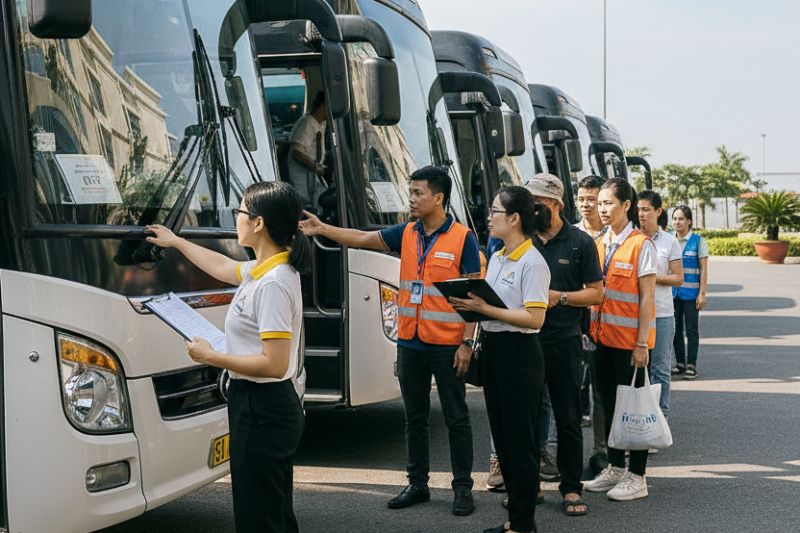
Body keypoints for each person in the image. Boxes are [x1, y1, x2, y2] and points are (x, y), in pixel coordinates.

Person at [300, 165, 480, 516]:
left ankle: (462, 489)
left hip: (447, 346)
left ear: (438, 198)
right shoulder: (408, 232)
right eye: (410, 192)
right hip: (410, 344)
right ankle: (417, 484)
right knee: (414, 418)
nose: (411, 199)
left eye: (417, 193)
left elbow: (473, 295)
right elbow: (363, 239)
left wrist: (467, 343)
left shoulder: (463, 238)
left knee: (456, 417)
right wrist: (323, 229)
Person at [145, 181, 309, 532]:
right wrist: (175, 242)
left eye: (240, 212)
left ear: (259, 223)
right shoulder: (263, 270)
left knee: (260, 516)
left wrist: (212, 357)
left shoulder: (274, 284)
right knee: (270, 510)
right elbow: (221, 267)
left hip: (264, 406)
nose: (236, 217)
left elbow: (274, 363)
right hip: (258, 404)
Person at [449, 186, 550, 533]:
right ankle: (515, 520)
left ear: (515, 218)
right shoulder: (497, 256)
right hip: (494, 350)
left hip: (520, 357)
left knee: (520, 444)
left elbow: (535, 319)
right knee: (504, 443)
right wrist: (472, 310)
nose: (489, 217)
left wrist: (485, 308)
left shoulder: (533, 262)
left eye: (495, 212)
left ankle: (523, 524)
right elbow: (489, 307)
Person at [524, 174, 604, 516]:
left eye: (537, 203)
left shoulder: (579, 242)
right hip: (525, 343)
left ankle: (571, 488)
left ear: (555, 203)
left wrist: (562, 298)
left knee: (568, 418)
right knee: (525, 419)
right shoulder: (521, 239)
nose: (531, 209)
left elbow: (597, 292)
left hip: (563, 344)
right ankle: (526, 487)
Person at [583, 178, 657, 502]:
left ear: (626, 206)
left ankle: (637, 476)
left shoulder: (642, 245)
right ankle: (614, 467)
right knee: (610, 406)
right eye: (599, 203)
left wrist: (642, 344)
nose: (601, 209)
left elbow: (646, 300)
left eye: (608, 203)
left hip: (630, 344)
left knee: (635, 410)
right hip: (602, 341)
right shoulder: (599, 244)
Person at [575, 175, 610, 475]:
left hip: (605, 324)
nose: (587, 205)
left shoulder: (615, 238)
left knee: (601, 392)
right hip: (573, 323)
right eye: (582, 199)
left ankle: (601, 451)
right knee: (571, 389)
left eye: (593, 200)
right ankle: (568, 452)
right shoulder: (570, 235)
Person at [638, 191, 684, 418]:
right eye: (638, 209)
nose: (641, 214)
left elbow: (678, 278)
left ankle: (659, 418)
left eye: (646, 209)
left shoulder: (669, 241)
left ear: (658, 211)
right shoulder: (631, 239)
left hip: (663, 314)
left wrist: (650, 278)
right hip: (635, 314)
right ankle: (639, 419)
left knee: (660, 369)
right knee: (638, 369)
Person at [671, 205, 709, 380]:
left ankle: (691, 364)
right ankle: (680, 363)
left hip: (691, 295)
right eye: (675, 219)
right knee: (675, 329)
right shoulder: (669, 240)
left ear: (689, 221)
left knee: (691, 330)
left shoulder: (698, 241)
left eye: (680, 219)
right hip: (672, 294)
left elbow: (703, 268)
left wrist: (702, 292)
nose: (677, 222)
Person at [288, 91, 329, 205]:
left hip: (314, 179)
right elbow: (296, 153)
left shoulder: (321, 123)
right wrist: (316, 168)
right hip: (303, 182)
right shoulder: (307, 124)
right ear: (322, 105)